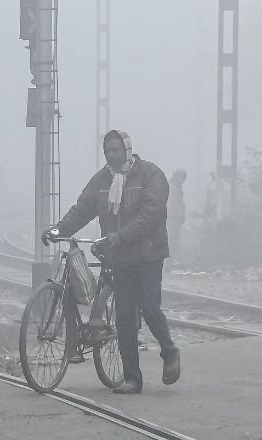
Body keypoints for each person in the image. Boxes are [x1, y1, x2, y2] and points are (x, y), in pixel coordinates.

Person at [42, 129, 180, 394]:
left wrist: (121, 235)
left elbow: (151, 214)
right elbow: (82, 209)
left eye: (116, 149)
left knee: (150, 308)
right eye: (107, 150)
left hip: (148, 255)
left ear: (127, 150)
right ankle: (132, 379)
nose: (111, 154)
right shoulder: (102, 180)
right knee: (125, 317)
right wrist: (58, 230)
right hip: (120, 257)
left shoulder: (151, 175)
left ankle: (170, 351)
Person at [167, 169, 187, 264]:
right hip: (173, 218)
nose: (182, 180)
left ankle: (171, 260)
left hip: (174, 218)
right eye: (181, 178)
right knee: (172, 240)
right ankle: (170, 261)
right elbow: (174, 205)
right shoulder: (172, 188)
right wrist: (180, 215)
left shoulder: (176, 188)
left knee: (173, 240)